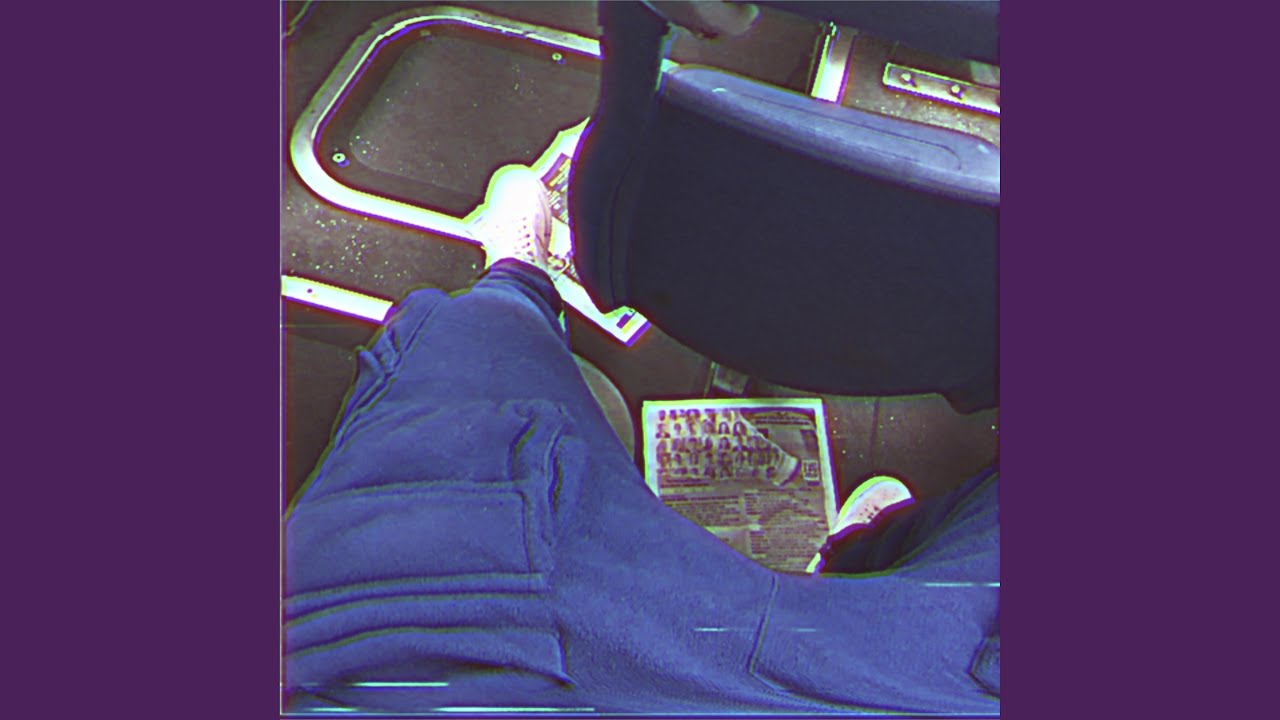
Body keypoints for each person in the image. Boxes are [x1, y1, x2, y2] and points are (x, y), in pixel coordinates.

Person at [284, 166, 999, 715]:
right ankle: (860, 561)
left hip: (519, 682)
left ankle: (518, 284)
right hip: (933, 689)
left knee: (473, 372)